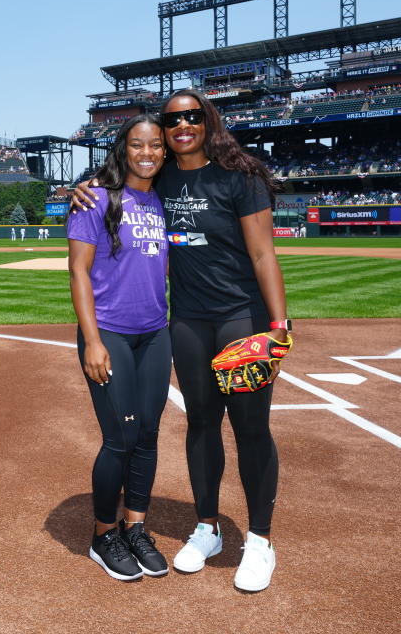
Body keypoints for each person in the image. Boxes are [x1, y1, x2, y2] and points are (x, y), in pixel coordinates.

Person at [72, 88, 292, 593]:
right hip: (189, 322)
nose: (182, 126)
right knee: (201, 424)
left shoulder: (242, 177)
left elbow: (263, 255)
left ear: (207, 120)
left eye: (193, 117)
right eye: (174, 121)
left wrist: (278, 327)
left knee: (251, 428)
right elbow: (116, 183)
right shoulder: (161, 176)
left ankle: (259, 540)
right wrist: (79, 188)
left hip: (241, 316)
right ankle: (207, 526)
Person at [68, 114, 170, 581]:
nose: (146, 153)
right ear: (123, 149)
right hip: (109, 331)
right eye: (137, 145)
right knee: (120, 439)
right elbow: (78, 273)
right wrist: (91, 340)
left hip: (155, 332)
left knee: (148, 436)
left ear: (164, 152)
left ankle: (136, 527)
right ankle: (103, 535)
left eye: (154, 145)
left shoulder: (166, 200)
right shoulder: (95, 199)